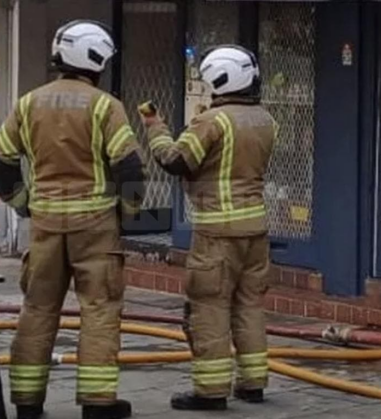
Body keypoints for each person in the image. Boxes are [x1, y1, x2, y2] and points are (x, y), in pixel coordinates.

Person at [0, 19, 145, 419]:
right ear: (93, 60)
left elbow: (1, 159)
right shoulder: (104, 106)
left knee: (37, 309)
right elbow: (129, 168)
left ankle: (27, 402)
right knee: (99, 309)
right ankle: (97, 404)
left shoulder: (29, 103)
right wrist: (128, 216)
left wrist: (23, 203)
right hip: (94, 226)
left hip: (44, 226)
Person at [139, 45, 276, 411]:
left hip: (218, 232)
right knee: (249, 305)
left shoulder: (212, 121)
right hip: (256, 230)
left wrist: (155, 127)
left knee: (209, 308)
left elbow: (174, 161)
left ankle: (211, 391)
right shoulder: (264, 119)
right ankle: (253, 383)